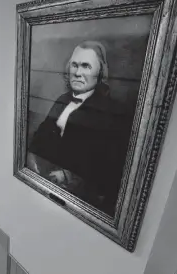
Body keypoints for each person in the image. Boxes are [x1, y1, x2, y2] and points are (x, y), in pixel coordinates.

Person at [27, 41, 132, 216]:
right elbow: (40, 138)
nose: (77, 72)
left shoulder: (111, 112)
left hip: (80, 202)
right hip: (46, 186)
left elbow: (108, 168)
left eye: (86, 66)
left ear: (100, 73)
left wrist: (70, 176)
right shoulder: (62, 99)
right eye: (74, 65)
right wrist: (32, 159)